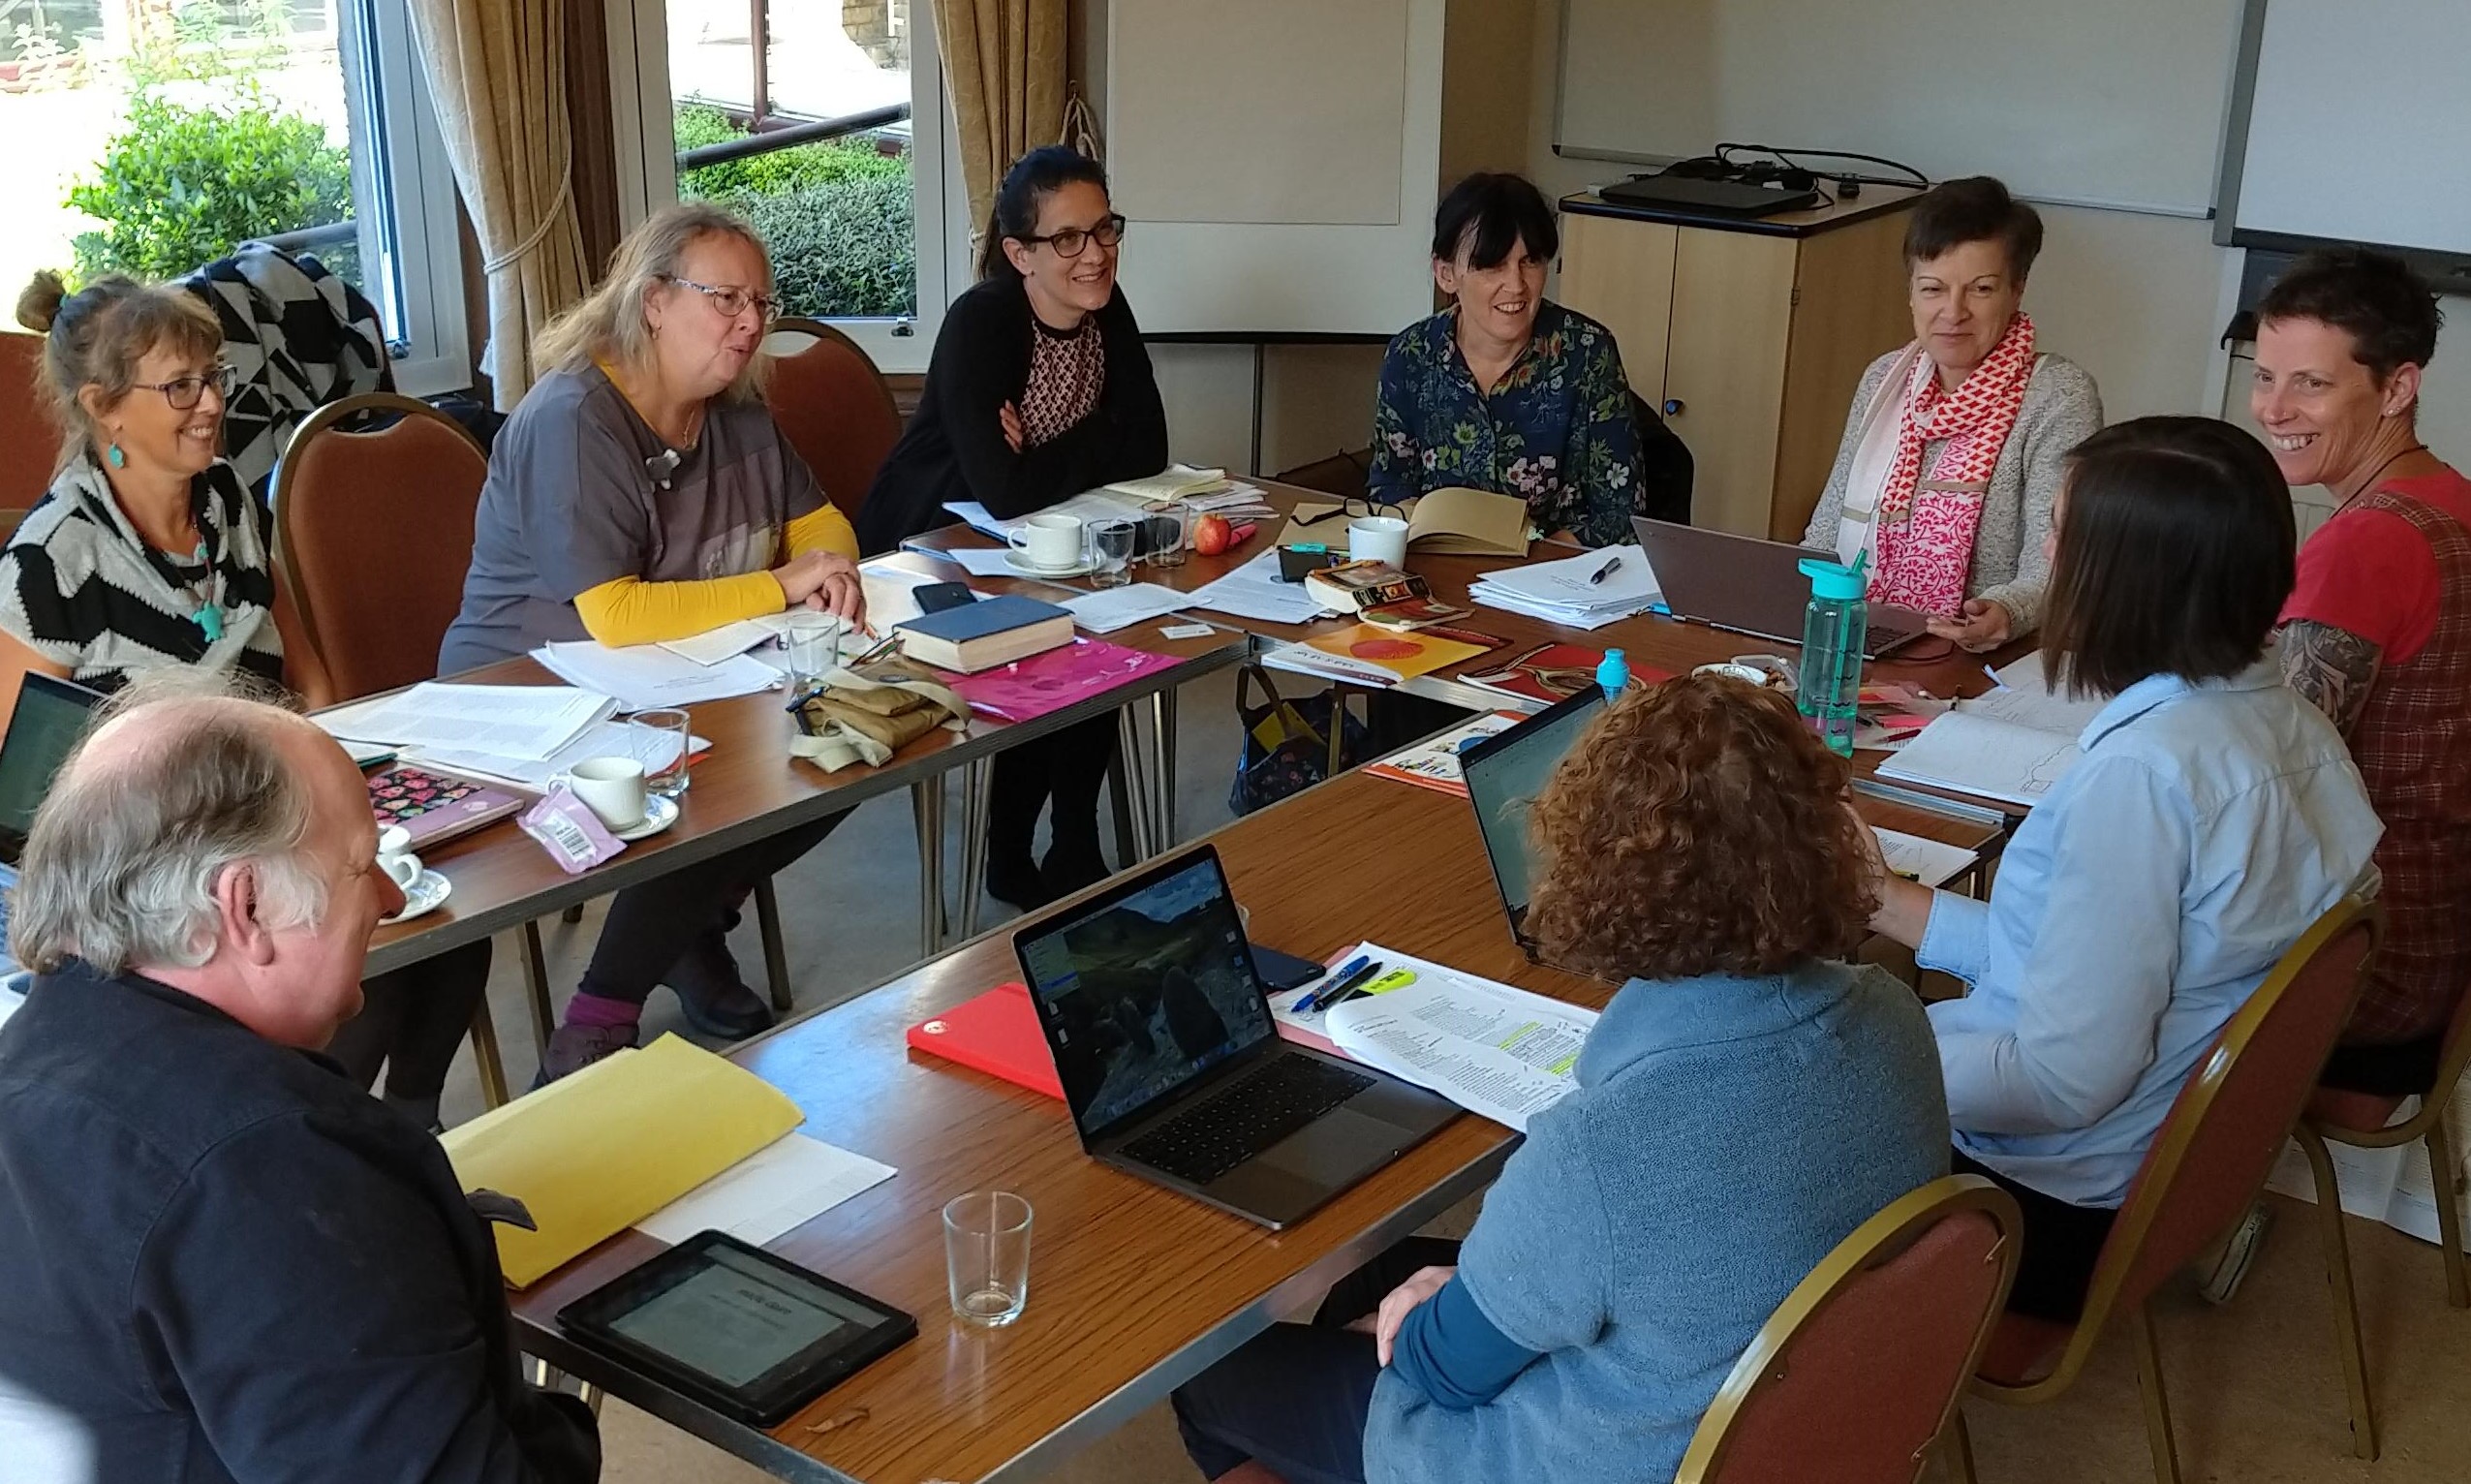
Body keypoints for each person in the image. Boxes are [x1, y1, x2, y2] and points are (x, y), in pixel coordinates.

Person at [1171, 673, 1948, 1484]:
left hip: (1620, 1458)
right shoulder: (1893, 1016)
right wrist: (1470, 1288)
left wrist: (1453, 1305)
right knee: (1376, 1277)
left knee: (1210, 1373)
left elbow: (1441, 1371)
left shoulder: (1605, 1149)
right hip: (1786, 1403)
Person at [0, 681, 599, 1482]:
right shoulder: (271, 1171)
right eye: (364, 865)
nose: (388, 898)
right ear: (244, 905)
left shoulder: (32, 1052)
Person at [1863, 417, 2381, 1322]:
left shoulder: (2143, 779)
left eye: (2060, 531)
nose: (2046, 554)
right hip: (2161, 1179)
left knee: (1735, 1102)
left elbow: (2062, 1079)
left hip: (2041, 1211)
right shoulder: (2291, 727)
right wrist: (1887, 901)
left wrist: (1875, 1055)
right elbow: (2086, 962)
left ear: (2126, 574)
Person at [6, 270, 485, 1129]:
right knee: (342, 959)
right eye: (179, 386)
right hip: (163, 864)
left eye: (213, 377)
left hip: (274, 805)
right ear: (105, 408)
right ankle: (305, 1129)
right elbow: (27, 802)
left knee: (450, 909)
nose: (210, 403)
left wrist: (333, 794)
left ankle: (408, 1129)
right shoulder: (53, 559)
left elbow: (310, 677)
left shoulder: (224, 496)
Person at [441, 202, 863, 1080]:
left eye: (760, 302)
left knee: (847, 746)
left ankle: (690, 926)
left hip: (675, 680)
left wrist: (836, 568)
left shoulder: (733, 408)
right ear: (653, 301)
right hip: (524, 693)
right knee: (715, 780)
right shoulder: (573, 420)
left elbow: (821, 520)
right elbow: (614, 615)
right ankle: (600, 1010)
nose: (750, 323)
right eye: (725, 299)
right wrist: (786, 582)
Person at [855, 145, 1169, 910]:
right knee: (1050, 642)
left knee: (1100, 638)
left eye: (1103, 230)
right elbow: (1000, 490)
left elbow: (1151, 447)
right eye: (1067, 239)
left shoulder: (1107, 307)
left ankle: (1073, 841)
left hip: (1038, 535)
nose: (1093, 255)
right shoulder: (984, 321)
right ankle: (1009, 848)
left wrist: (1050, 449)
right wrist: (1099, 434)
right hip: (930, 544)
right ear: (1018, 252)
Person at [2257, 249, 2469, 1096]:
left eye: (2309, 384)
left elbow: (2276, 777)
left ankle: (2155, 1218)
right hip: (2440, 936)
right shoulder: (2451, 497)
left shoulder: (2364, 540)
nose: (2274, 409)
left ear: (2396, 387)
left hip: (2366, 958)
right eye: (2265, 376)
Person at [1801, 176, 2103, 652]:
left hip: (1986, 656)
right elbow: (1826, 532)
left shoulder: (2058, 395)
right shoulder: (1884, 378)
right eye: (1933, 289)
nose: (1953, 311)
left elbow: (2061, 561)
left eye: (1981, 289)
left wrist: (2004, 610)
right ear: (1911, 293)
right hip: (1859, 638)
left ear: (2017, 289)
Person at [1368, 172, 1645, 548]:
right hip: (1439, 564)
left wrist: (1530, 563)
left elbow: (1621, 514)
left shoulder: (1587, 353)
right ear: (1446, 274)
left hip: (1552, 578)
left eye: (1530, 261)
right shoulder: (1411, 355)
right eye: (1493, 266)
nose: (1516, 285)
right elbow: (1389, 485)